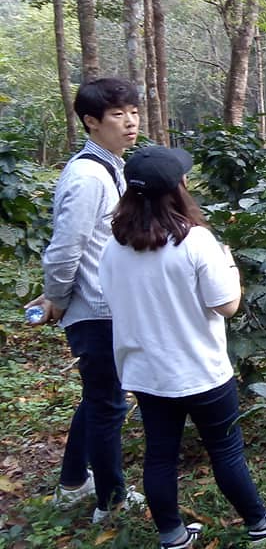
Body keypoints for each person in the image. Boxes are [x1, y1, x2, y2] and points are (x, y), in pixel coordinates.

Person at [98, 146, 266, 549]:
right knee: (225, 450)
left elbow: (113, 298)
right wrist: (229, 264)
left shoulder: (113, 248)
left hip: (147, 372)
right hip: (201, 369)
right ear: (179, 187)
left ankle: (172, 535)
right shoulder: (196, 242)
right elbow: (226, 304)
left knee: (159, 456)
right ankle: (260, 523)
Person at [24, 77, 144, 522]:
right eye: (118, 114)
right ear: (92, 122)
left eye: (132, 111)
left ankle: (74, 481)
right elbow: (64, 249)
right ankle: (109, 503)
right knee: (109, 403)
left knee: (99, 397)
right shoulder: (88, 176)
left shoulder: (111, 165)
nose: (130, 121)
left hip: (107, 304)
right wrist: (55, 298)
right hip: (95, 309)